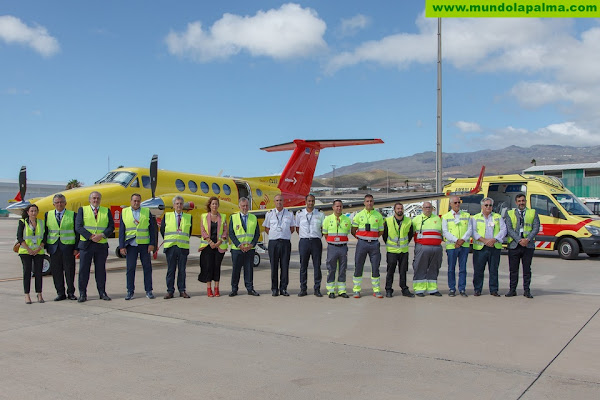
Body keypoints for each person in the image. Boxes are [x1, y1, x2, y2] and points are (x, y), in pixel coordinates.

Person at [76, 191, 115, 302]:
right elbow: (78, 226)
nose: (95, 200)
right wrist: (91, 236)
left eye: (98, 198)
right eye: (93, 198)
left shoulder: (106, 211)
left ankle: (102, 292)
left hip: (101, 245)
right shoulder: (82, 210)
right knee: (84, 270)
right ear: (90, 200)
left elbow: (111, 227)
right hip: (86, 245)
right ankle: (83, 294)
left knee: (100, 270)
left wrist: (101, 235)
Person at [119, 193, 157, 300]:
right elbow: (122, 230)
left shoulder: (146, 211)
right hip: (131, 245)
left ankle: (149, 291)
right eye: (134, 201)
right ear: (131, 201)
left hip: (144, 245)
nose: (136, 203)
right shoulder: (124, 212)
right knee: (130, 268)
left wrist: (152, 244)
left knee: (147, 268)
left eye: (138, 201)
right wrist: (122, 246)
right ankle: (130, 291)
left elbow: (152, 229)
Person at [504, 193, 540, 299]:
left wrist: (527, 239)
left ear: (526, 201)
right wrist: (519, 240)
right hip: (514, 245)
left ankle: (527, 290)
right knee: (513, 270)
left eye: (523, 201)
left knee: (527, 269)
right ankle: (512, 289)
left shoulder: (532, 212)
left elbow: (536, 227)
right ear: (516, 202)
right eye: (519, 201)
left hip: (528, 246)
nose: (521, 203)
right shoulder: (510, 213)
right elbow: (509, 229)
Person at [45, 194, 79, 301]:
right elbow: (46, 232)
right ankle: (60, 293)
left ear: (65, 203)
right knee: (56, 271)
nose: (59, 204)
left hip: (68, 247)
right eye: (57, 202)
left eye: (61, 202)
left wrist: (76, 248)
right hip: (54, 247)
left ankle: (71, 293)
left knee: (69, 271)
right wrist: (47, 246)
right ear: (53, 204)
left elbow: (77, 232)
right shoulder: (48, 214)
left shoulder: (73, 215)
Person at [471, 197, 507, 297]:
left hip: (494, 247)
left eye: (490, 205)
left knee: (494, 270)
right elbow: (473, 232)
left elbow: (503, 230)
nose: (488, 207)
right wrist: (484, 240)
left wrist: (494, 239)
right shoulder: (475, 218)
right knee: (478, 270)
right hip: (480, 248)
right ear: (482, 206)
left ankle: (494, 290)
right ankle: (477, 289)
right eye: (486, 205)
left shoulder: (497, 217)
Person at [351, 194, 385, 298]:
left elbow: (381, 231)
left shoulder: (378, 216)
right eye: (367, 201)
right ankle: (356, 290)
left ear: (373, 202)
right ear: (364, 203)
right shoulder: (359, 215)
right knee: (358, 266)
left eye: (371, 201)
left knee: (375, 267)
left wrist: (372, 237)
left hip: (374, 244)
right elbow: (353, 230)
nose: (369, 203)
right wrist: (361, 238)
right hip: (362, 243)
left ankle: (376, 290)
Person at [263, 194, 295, 296]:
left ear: (283, 201)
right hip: (273, 243)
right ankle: (274, 289)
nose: (279, 202)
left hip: (285, 242)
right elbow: (267, 228)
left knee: (285, 266)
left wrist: (283, 234)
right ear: (274, 202)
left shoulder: (289, 214)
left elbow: (292, 228)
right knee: (274, 266)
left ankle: (283, 288)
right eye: (277, 200)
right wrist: (275, 235)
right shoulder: (269, 214)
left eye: (280, 200)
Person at [161, 195, 192, 299]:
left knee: (182, 270)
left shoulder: (188, 217)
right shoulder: (167, 216)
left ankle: (182, 290)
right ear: (173, 205)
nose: (179, 205)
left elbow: (189, 232)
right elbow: (162, 230)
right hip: (171, 246)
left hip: (183, 247)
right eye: (177, 203)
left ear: (183, 205)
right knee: (171, 269)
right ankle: (170, 291)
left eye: (181, 204)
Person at [229, 197, 260, 296]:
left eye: (246, 206)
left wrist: (252, 245)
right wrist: (239, 244)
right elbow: (231, 233)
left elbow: (257, 233)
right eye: (243, 206)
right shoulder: (233, 218)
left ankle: (250, 289)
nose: (245, 208)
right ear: (239, 206)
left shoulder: (253, 218)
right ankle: (234, 289)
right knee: (236, 271)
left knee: (249, 270)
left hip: (250, 249)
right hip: (237, 249)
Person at [442, 196, 472, 297]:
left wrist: (462, 240)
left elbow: (469, 229)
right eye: (455, 203)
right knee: (451, 268)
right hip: (452, 246)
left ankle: (462, 289)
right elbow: (445, 232)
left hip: (464, 245)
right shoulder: (445, 217)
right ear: (450, 204)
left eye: (458, 202)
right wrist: (456, 240)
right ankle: (452, 288)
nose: (457, 204)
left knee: (463, 268)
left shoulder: (466, 215)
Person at [382, 202, 414, 298]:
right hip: (392, 251)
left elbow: (410, 234)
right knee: (390, 270)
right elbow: (385, 235)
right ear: (394, 210)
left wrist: (404, 244)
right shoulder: (388, 221)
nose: (400, 210)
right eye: (398, 209)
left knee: (403, 270)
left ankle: (404, 289)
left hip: (403, 251)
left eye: (401, 208)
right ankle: (388, 289)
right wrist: (390, 245)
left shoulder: (408, 221)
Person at [198, 196, 228, 297]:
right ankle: (209, 289)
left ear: (218, 205)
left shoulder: (222, 217)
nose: (215, 205)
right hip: (208, 246)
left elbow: (225, 231)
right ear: (210, 205)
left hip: (219, 246)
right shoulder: (204, 216)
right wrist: (210, 241)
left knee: (217, 267)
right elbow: (202, 230)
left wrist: (219, 241)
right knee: (208, 267)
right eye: (213, 204)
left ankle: (216, 288)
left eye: (216, 204)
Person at [412, 201, 444, 297]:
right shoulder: (416, 219)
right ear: (422, 208)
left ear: (432, 209)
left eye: (429, 207)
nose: (428, 209)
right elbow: (410, 232)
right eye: (426, 207)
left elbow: (443, 232)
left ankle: (432, 289)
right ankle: (419, 289)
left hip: (436, 248)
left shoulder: (438, 219)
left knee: (434, 268)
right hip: (422, 247)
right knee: (420, 267)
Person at [295, 194, 324, 297]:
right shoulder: (299, 214)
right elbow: (297, 228)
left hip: (316, 241)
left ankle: (317, 289)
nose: (311, 203)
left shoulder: (320, 214)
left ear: (314, 202)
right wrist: (305, 237)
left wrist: (316, 236)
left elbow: (323, 228)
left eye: (312, 201)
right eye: (309, 201)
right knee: (303, 266)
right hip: (304, 242)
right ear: (305, 201)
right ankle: (303, 289)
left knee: (317, 266)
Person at [17, 204, 47, 304]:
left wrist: (39, 248)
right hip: (26, 251)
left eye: (35, 211)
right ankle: (27, 295)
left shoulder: (41, 223)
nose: (33, 213)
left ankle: (39, 294)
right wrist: (29, 249)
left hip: (38, 251)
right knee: (27, 272)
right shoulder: (22, 222)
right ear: (28, 212)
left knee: (38, 273)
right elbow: (20, 237)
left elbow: (45, 237)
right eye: (32, 211)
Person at [322, 200, 351, 299]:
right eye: (337, 206)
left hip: (343, 247)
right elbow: (325, 233)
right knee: (331, 268)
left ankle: (342, 290)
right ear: (333, 207)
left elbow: (347, 232)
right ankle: (331, 290)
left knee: (342, 269)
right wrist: (332, 241)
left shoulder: (346, 220)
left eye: (340, 206)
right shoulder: (327, 219)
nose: (339, 208)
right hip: (332, 247)